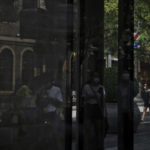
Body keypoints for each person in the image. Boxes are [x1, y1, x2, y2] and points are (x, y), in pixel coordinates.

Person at [82, 72, 107, 150]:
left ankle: (99, 145)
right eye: (94, 77)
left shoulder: (101, 88)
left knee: (98, 128)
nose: (96, 79)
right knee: (87, 128)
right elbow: (83, 98)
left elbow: (104, 100)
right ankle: (87, 146)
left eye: (97, 77)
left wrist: (105, 112)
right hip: (89, 107)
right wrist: (92, 96)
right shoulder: (86, 87)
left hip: (97, 108)